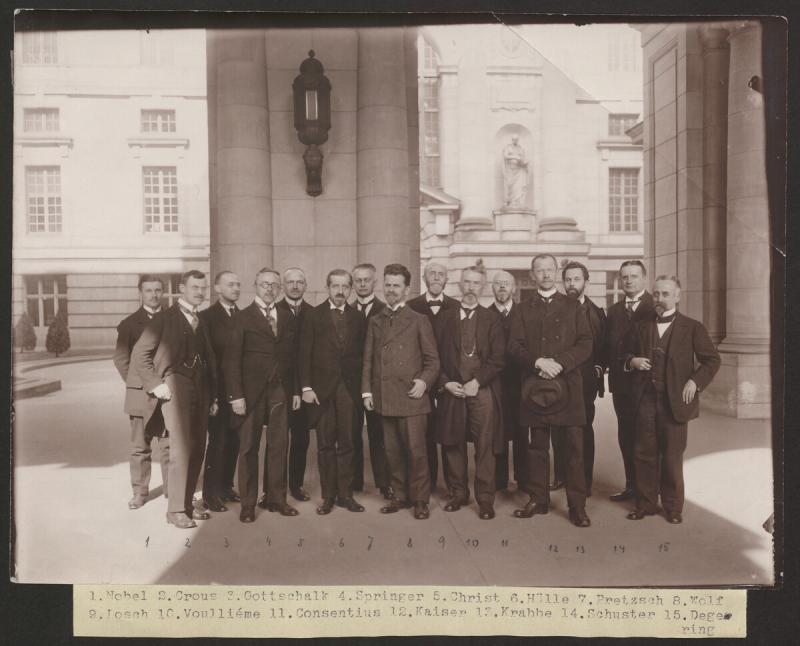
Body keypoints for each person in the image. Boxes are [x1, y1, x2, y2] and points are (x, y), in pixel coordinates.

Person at [623, 276, 720, 524]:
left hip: (674, 401)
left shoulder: (692, 327)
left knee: (672, 455)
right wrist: (632, 361)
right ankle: (645, 504)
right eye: (656, 294)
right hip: (644, 398)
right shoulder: (641, 326)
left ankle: (673, 508)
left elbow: (711, 360)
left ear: (677, 296)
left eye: (666, 294)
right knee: (643, 452)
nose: (660, 299)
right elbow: (626, 353)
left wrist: (694, 382)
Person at [507, 254, 593, 527]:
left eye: (549, 269)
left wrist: (559, 364)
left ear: (556, 272)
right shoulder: (522, 308)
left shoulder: (573, 306)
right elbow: (514, 346)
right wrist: (537, 362)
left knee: (573, 450)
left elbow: (585, 343)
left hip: (568, 385)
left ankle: (577, 506)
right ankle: (538, 500)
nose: (545, 274)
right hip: (534, 385)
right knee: (537, 447)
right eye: (539, 270)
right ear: (532, 275)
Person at [129, 270, 219, 529]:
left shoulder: (200, 319)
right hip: (175, 387)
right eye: (194, 288)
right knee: (180, 448)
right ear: (182, 289)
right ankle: (175, 510)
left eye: (203, 288)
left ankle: (187, 504)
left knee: (198, 447)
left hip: (201, 388)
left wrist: (212, 396)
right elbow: (139, 354)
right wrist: (156, 385)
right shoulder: (165, 318)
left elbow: (209, 359)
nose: (200, 292)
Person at [362, 263, 440, 520]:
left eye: (397, 285)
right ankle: (401, 495)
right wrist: (367, 392)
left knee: (416, 453)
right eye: (388, 285)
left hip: (412, 397)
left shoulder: (419, 320)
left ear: (406, 290)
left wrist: (423, 382)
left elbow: (433, 361)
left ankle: (420, 500)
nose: (392, 290)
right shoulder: (376, 320)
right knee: (392, 452)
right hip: (385, 396)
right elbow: (369, 360)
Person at [224, 268, 299, 523]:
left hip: (280, 390)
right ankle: (247, 504)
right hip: (250, 392)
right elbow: (231, 360)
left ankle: (276, 498)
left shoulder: (287, 317)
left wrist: (296, 390)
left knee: (279, 445)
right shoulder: (242, 318)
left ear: (279, 288)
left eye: (274, 285)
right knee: (248, 448)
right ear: (255, 286)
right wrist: (236, 396)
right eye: (264, 284)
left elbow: (293, 358)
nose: (269, 288)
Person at [434, 267, 505, 520]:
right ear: (459, 284)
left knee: (484, 445)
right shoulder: (444, 318)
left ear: (483, 286)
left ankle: (485, 499)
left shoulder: (492, 319)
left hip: (482, 390)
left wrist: (478, 380)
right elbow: (433, 358)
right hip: (452, 390)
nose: (471, 287)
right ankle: (458, 493)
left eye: (477, 283)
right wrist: (445, 383)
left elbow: (498, 359)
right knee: (453, 442)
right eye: (467, 282)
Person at [300, 269, 366, 515]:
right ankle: (328, 496)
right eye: (335, 286)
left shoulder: (359, 318)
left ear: (350, 289)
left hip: (349, 390)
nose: (340, 291)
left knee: (348, 443)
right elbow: (304, 354)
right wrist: (306, 387)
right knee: (326, 444)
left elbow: (363, 356)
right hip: (321, 391)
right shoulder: (313, 316)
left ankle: (345, 495)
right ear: (327, 287)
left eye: (345, 287)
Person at [113, 274, 169, 510]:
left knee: (168, 444)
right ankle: (140, 492)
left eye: (158, 290)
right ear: (140, 292)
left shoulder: (172, 319)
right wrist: (138, 384)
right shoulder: (129, 324)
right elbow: (121, 359)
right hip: (140, 395)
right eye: (149, 290)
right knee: (140, 446)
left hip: (167, 393)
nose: (154, 295)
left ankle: (172, 491)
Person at [551, 261, 606, 496]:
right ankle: (561, 476)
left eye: (576, 279)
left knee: (583, 430)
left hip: (584, 382)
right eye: (568, 280)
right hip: (559, 380)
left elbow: (604, 347)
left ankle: (584, 481)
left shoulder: (597, 313)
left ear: (586, 281)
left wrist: (597, 368)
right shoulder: (554, 309)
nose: (572, 284)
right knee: (557, 428)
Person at [603, 260, 654, 502]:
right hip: (622, 385)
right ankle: (632, 486)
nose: (628, 280)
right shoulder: (612, 312)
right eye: (624, 277)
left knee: (647, 438)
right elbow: (609, 349)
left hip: (648, 386)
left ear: (644, 278)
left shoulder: (656, 306)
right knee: (626, 437)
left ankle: (649, 492)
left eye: (634, 276)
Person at [407, 261, 458, 491]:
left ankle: (452, 487)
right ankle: (426, 485)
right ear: (425, 278)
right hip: (422, 379)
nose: (436, 277)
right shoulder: (411, 306)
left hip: (449, 379)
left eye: (441, 274)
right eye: (432, 274)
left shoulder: (457, 306)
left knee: (450, 434)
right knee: (423, 436)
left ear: (446, 279)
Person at [198, 270, 242, 512]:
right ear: (217, 288)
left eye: (238, 285)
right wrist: (212, 395)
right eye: (230, 284)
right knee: (217, 442)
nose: (235, 289)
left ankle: (226, 486)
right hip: (218, 392)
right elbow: (207, 359)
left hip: (239, 393)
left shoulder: (243, 316)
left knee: (234, 441)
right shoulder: (206, 317)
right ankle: (210, 493)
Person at [351, 263, 393, 499]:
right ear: (353, 283)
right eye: (358, 280)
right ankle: (355, 480)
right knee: (351, 432)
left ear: (375, 283)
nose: (363, 284)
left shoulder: (385, 310)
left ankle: (384, 483)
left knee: (379, 434)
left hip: (376, 383)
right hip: (350, 383)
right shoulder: (345, 310)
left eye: (367, 280)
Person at [274, 267, 314, 503]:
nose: (295, 286)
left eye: (300, 282)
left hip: (305, 387)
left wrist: (304, 387)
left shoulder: (314, 312)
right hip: (280, 386)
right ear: (283, 286)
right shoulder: (273, 311)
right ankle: (273, 487)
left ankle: (296, 485)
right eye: (290, 282)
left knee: (301, 438)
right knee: (278, 440)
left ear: (306, 285)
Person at [487, 270, 524, 492]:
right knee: (496, 431)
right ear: (492, 288)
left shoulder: (523, 313)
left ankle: (524, 478)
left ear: (514, 289)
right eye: (498, 284)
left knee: (522, 431)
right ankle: (499, 480)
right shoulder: (485, 314)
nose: (502, 288)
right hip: (495, 382)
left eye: (506, 284)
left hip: (519, 381)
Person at [502, 134, 529, 207]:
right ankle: (509, 201)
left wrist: (525, 162)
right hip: (510, 169)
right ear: (512, 140)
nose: (515, 141)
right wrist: (515, 157)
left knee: (519, 186)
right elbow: (505, 156)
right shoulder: (508, 147)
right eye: (514, 139)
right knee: (510, 184)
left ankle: (518, 202)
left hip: (519, 169)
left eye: (517, 139)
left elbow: (523, 158)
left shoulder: (520, 148)